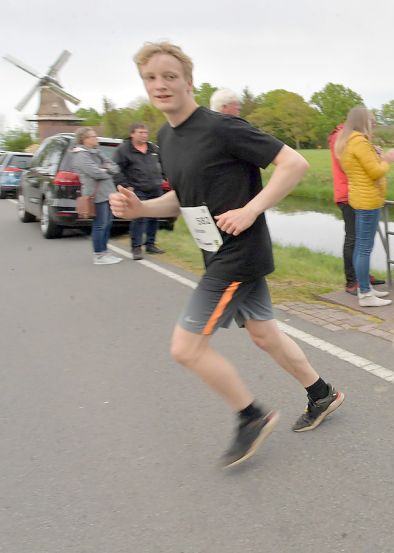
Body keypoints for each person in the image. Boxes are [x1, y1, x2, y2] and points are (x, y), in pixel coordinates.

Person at [110, 41, 344, 468]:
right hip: (214, 251)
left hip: (238, 253)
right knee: (263, 334)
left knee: (186, 348)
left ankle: (251, 416)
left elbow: (294, 164)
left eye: (169, 76)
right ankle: (321, 394)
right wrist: (141, 209)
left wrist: (251, 209)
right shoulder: (166, 136)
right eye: (150, 78)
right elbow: (184, 198)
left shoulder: (221, 127)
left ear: (188, 81)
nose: (160, 85)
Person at [334, 106, 394, 307]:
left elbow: (362, 168)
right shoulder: (359, 142)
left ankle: (365, 288)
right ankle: (365, 293)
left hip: (360, 198)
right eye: (371, 121)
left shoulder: (347, 142)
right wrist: (387, 160)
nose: (373, 124)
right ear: (363, 121)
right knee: (364, 248)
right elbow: (375, 172)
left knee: (361, 247)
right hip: (368, 200)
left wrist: (375, 154)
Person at [328, 123, 384, 295]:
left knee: (362, 240)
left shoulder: (350, 138)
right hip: (349, 194)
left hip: (355, 192)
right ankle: (353, 281)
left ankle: (363, 277)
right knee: (354, 238)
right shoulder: (343, 137)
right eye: (370, 124)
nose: (372, 128)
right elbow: (353, 165)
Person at [113, 123, 165, 260]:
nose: (144, 135)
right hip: (136, 189)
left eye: (145, 132)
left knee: (154, 216)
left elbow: (163, 163)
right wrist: (125, 186)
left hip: (155, 187)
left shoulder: (153, 148)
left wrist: (165, 177)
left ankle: (150, 244)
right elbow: (115, 169)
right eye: (140, 132)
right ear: (132, 134)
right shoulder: (124, 150)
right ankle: (136, 247)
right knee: (139, 218)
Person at [71, 127, 122, 265]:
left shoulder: (97, 152)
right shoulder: (81, 156)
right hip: (96, 195)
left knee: (107, 224)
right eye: (92, 137)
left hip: (107, 193)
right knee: (100, 225)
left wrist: (106, 169)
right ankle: (99, 255)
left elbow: (115, 168)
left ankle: (104, 251)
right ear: (84, 139)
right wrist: (107, 170)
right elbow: (95, 173)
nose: (96, 138)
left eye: (95, 136)